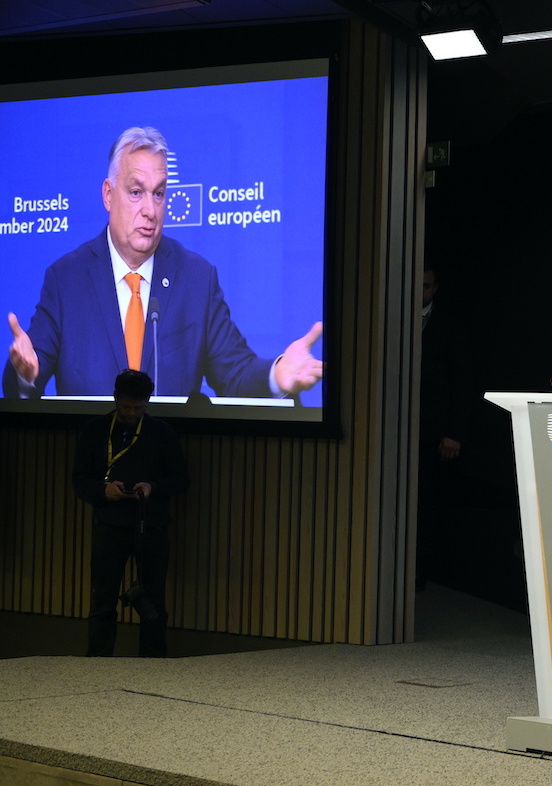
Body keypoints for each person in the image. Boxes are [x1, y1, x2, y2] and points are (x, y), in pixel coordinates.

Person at [4, 125, 323, 400]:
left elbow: (235, 373)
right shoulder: (66, 279)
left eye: (158, 194)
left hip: (169, 451)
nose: (150, 210)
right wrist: (24, 375)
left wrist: (277, 375)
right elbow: (29, 372)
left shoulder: (196, 278)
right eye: (136, 192)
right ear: (108, 195)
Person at [73, 369, 190, 657]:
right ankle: (97, 662)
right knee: (102, 600)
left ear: (148, 401)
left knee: (153, 601)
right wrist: (103, 492)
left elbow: (181, 479)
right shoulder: (95, 430)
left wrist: (153, 487)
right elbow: (80, 479)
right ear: (115, 398)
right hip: (109, 524)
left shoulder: (161, 432)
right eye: (126, 407)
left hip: (151, 525)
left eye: (139, 407)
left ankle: (153, 664)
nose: (132, 413)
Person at [417, 268, 471, 587]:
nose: (420, 291)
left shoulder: (449, 326)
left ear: (435, 288)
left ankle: (420, 574)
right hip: (394, 429)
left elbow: (461, 383)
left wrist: (454, 432)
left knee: (427, 504)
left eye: (425, 286)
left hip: (433, 432)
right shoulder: (392, 319)